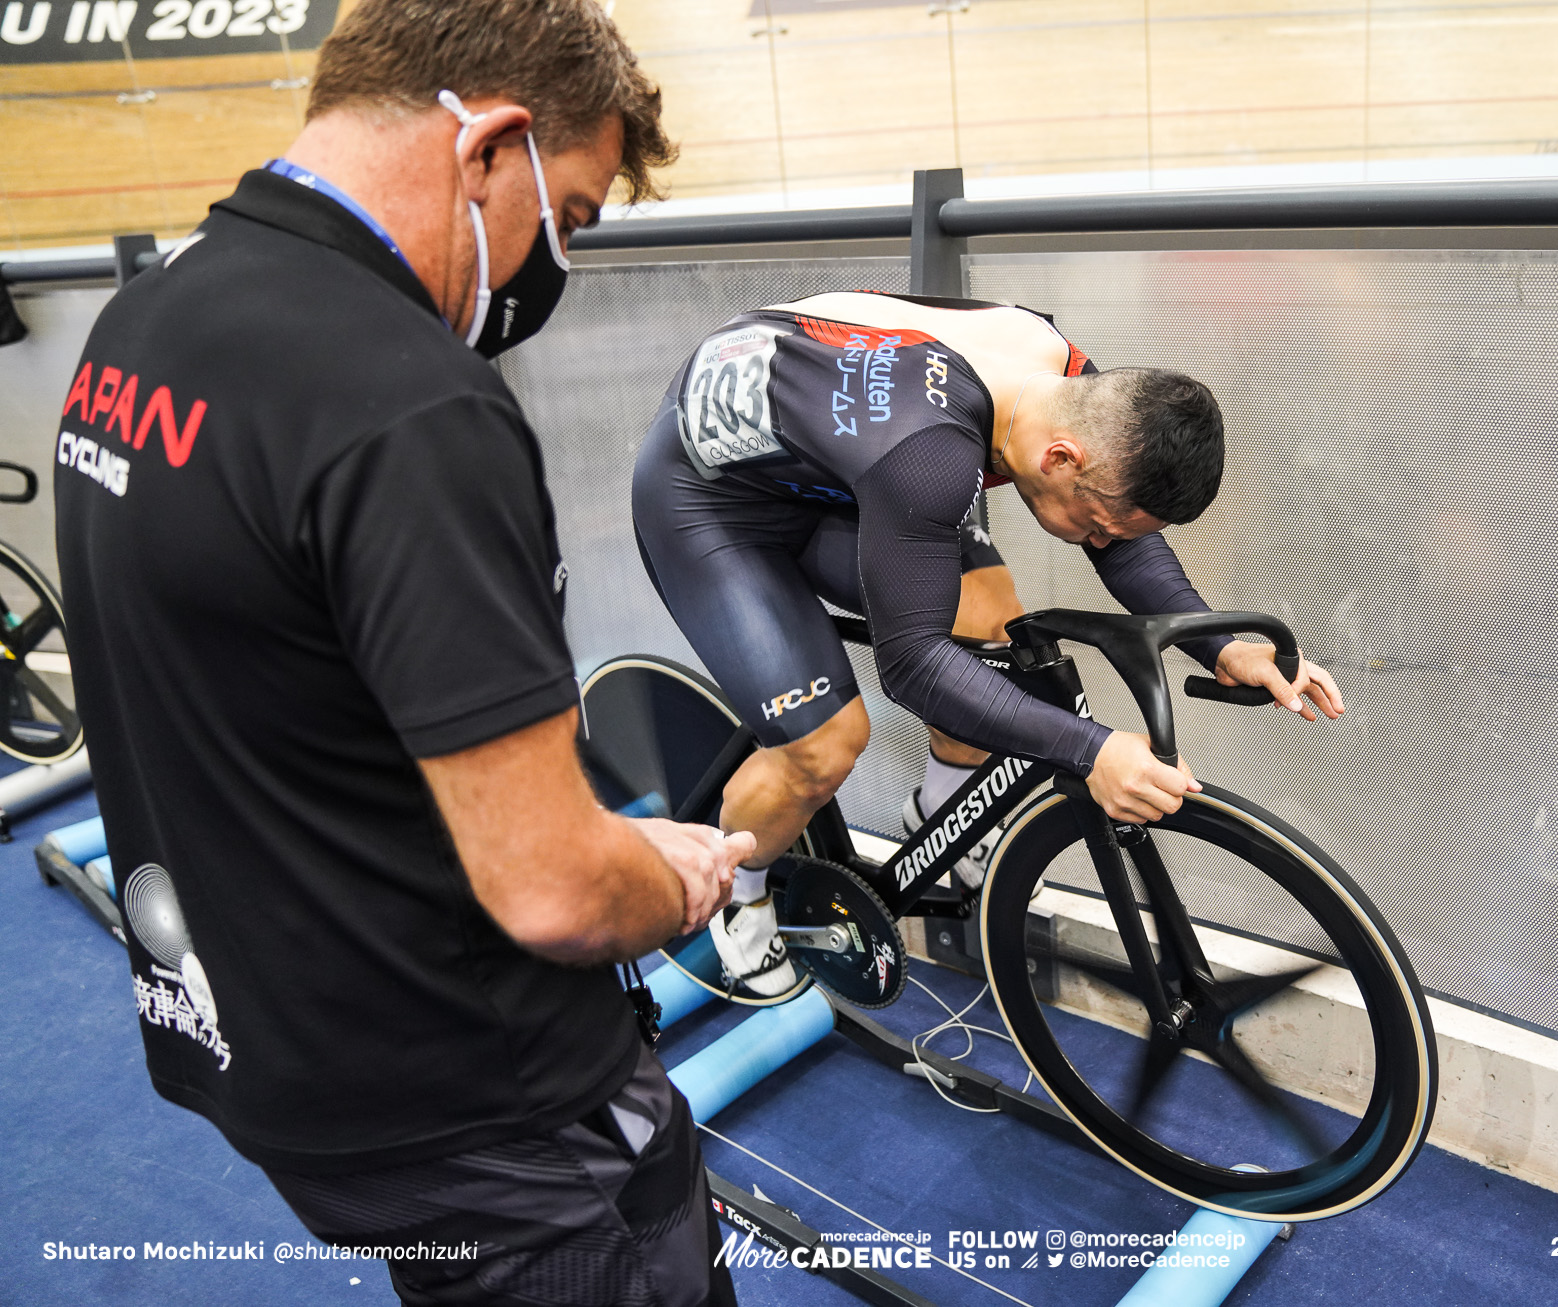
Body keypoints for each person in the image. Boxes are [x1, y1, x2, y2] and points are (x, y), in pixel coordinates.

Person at [53, 3, 750, 1304]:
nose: (561, 259)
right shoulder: (409, 401)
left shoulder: (142, 323)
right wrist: (667, 882)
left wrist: (586, 836)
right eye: (575, 214)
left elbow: (284, 702)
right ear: (490, 146)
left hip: (274, 1046)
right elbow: (556, 896)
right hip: (493, 1105)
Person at [632, 291, 1345, 997]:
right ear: (1062, 457)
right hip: (708, 505)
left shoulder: (1065, 378)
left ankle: (938, 816)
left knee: (993, 632)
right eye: (1094, 523)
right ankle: (739, 889)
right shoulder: (929, 452)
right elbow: (910, 665)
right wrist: (1091, 749)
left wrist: (1222, 646)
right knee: (826, 743)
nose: (1099, 542)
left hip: (832, 468)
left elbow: (1126, 541)